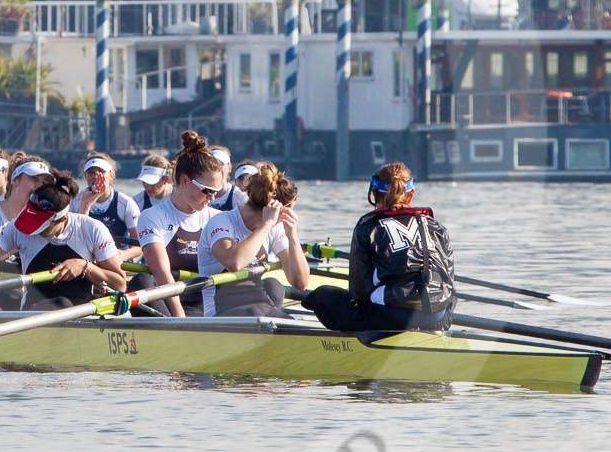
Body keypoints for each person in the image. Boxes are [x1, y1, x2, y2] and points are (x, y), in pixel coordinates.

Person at [301, 163, 455, 333]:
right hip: (439, 318)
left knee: (322, 295)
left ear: (373, 194)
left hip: (390, 318)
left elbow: (358, 292)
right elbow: (449, 280)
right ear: (410, 197)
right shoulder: (437, 227)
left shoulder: (368, 227)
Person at [0, 169, 128, 310]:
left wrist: (85, 267)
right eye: (31, 220)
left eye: (42, 226)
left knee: (63, 303)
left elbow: (120, 284)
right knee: (61, 303)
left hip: (82, 314)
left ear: (62, 218)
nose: (32, 230)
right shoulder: (18, 227)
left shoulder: (92, 229)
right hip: (33, 314)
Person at [131, 130, 227, 317]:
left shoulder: (217, 218)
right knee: (140, 282)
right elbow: (161, 272)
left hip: (205, 304)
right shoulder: (152, 217)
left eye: (216, 191)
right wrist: (180, 320)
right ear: (184, 181)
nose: (212, 198)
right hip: (169, 305)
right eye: (207, 191)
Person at [197, 162, 308, 318]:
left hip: (260, 308)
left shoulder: (274, 229)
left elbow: (300, 283)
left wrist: (292, 236)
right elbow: (234, 262)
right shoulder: (221, 222)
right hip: (221, 312)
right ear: (279, 209)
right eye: (291, 209)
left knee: (289, 322)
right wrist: (266, 224)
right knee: (258, 313)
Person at [72, 152, 140, 248]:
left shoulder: (125, 203)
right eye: (91, 172)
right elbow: (73, 239)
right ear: (85, 176)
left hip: (119, 257)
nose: (95, 176)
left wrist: (122, 255)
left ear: (112, 175)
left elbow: (139, 246)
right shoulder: (75, 202)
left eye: (101, 171)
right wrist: (85, 206)